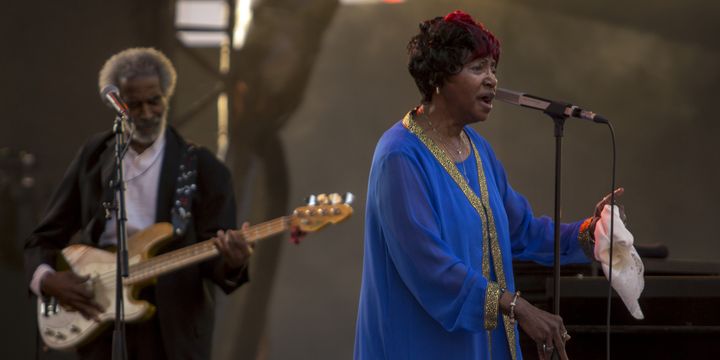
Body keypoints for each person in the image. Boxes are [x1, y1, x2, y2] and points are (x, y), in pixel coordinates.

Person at [354, 11, 622, 360]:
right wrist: (517, 307)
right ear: (440, 76)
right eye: (478, 68)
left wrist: (589, 233)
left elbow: (521, 231)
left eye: (493, 68)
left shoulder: (477, 149)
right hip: (417, 345)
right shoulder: (399, 156)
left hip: (477, 344)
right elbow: (428, 266)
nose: (492, 80)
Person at [24, 47, 253, 360]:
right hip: (97, 317)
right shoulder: (95, 156)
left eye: (154, 101)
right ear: (118, 104)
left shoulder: (204, 168)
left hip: (171, 332)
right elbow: (43, 238)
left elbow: (217, 264)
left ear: (166, 97)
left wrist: (235, 261)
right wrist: (48, 279)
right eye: (134, 104)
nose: (146, 113)